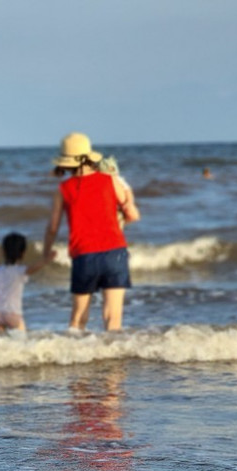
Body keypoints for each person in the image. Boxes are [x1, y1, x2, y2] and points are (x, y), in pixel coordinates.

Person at [41, 133, 139, 332]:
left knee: (78, 319)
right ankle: (114, 363)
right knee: (113, 319)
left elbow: (52, 227)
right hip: (115, 253)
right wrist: (119, 222)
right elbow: (131, 213)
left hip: (84, 255)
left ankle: (75, 359)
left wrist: (46, 252)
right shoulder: (110, 180)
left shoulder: (63, 189)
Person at [0, 232, 48, 333]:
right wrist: (46, 260)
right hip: (12, 314)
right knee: (21, 341)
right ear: (23, 253)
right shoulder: (20, 271)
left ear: (3, 251)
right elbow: (33, 268)